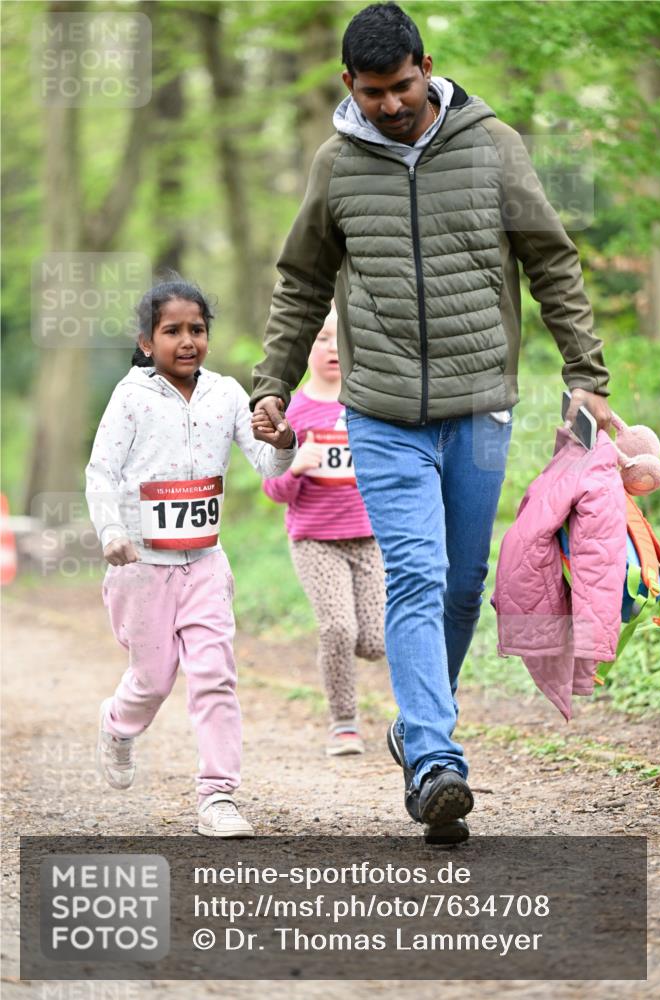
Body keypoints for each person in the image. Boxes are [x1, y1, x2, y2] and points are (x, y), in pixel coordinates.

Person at [249, 2, 614, 844]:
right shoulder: (335, 165)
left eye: (401, 86)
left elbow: (549, 259)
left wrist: (586, 374)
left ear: (425, 67)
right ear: (349, 85)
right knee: (413, 575)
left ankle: (416, 727)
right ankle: (435, 763)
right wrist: (273, 381)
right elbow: (301, 280)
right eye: (371, 92)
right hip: (378, 412)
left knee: (458, 583)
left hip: (478, 402)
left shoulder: (492, 146)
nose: (388, 104)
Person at [85, 277, 296, 838]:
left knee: (214, 675)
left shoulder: (226, 394)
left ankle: (217, 796)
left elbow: (267, 466)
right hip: (140, 567)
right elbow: (100, 472)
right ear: (147, 342)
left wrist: (283, 443)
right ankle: (116, 724)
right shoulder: (130, 398)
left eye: (197, 330)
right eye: (171, 330)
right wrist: (110, 530)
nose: (186, 341)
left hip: (204, 564)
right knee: (152, 682)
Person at [260, 306, 385, 756]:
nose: (332, 348)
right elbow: (273, 489)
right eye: (321, 339)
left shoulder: (367, 402)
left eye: (339, 338)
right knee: (337, 629)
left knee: (373, 641)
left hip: (370, 538)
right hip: (314, 540)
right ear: (304, 348)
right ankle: (343, 721)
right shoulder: (291, 410)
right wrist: (297, 465)